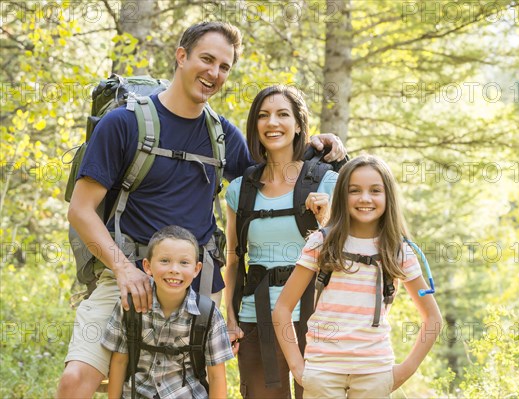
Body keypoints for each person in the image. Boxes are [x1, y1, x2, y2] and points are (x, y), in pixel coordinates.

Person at [57, 21, 346, 398]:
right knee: (76, 380)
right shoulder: (123, 124)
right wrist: (124, 269)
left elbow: (270, 174)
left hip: (197, 284)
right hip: (128, 274)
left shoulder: (221, 134)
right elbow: (81, 210)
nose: (214, 73)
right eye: (206, 59)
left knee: (205, 387)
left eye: (224, 67)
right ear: (181, 56)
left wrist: (315, 146)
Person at [272, 155, 443, 399]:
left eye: (375, 190)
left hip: (375, 373)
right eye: (355, 190)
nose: (365, 198)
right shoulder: (321, 242)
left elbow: (433, 318)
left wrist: (404, 371)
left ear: (388, 197)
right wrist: (298, 369)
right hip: (323, 371)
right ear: (342, 195)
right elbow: (282, 309)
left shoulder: (398, 250)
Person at [223, 85, 338, 399]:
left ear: (299, 124)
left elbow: (344, 253)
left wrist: (325, 217)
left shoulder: (327, 180)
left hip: (314, 318)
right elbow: (233, 260)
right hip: (255, 319)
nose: (272, 122)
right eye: (263, 115)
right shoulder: (239, 189)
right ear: (255, 125)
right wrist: (230, 321)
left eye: (282, 114)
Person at [101, 225, 232, 398]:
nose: (174, 269)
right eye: (164, 261)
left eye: (184, 262)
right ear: (147, 266)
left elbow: (216, 376)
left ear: (196, 269)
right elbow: (119, 362)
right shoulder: (130, 307)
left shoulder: (208, 315)